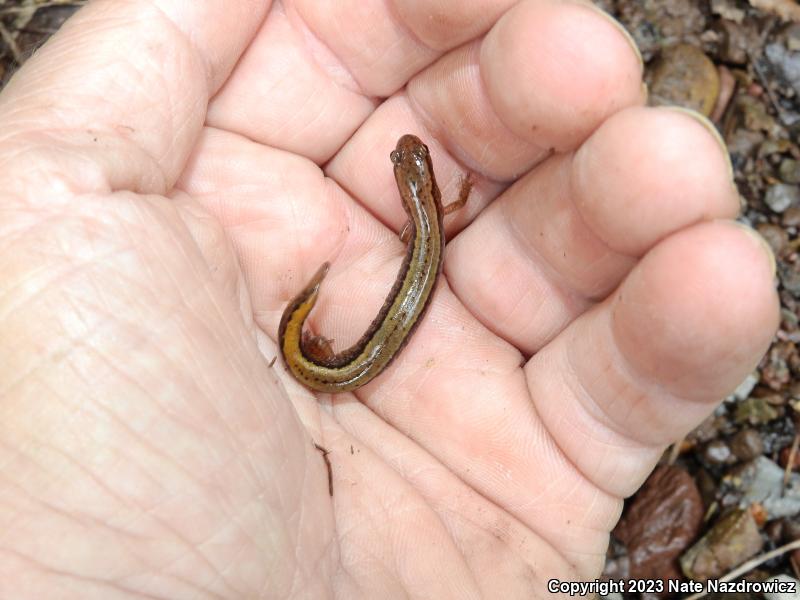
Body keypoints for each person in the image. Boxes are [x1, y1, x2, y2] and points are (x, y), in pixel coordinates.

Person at [0, 0, 778, 598]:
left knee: (354, 353)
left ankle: (321, 360)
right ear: (423, 187)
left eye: (411, 160)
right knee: (348, 355)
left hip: (366, 356)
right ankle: (321, 361)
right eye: (415, 161)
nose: (412, 158)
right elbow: (455, 206)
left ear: (413, 185)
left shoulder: (425, 220)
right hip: (360, 362)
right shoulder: (432, 216)